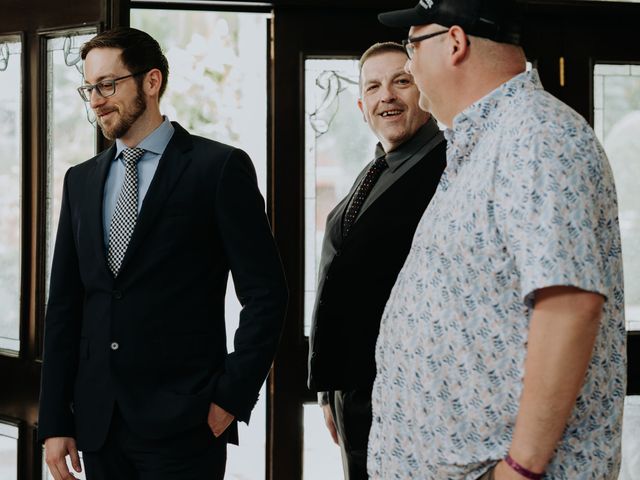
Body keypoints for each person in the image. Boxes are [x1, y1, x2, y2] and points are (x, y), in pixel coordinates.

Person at [369, 1, 626, 479]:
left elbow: (569, 304)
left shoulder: (537, 134)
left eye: (411, 46)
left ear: (455, 42)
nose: (407, 64)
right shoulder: (484, 143)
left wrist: (519, 468)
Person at [38, 27, 288, 480]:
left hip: (186, 424)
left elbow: (267, 294)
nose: (96, 100)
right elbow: (65, 308)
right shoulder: (80, 181)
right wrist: (55, 420)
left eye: (108, 85)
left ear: (151, 82)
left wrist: (231, 398)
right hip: (98, 426)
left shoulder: (219, 168)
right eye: (89, 88)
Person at [307, 42, 446, 480]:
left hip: (413, 396)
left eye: (401, 81)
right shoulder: (375, 171)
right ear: (361, 103)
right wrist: (331, 388)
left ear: (423, 89)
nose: (387, 95)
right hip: (355, 391)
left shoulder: (449, 167)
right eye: (374, 86)